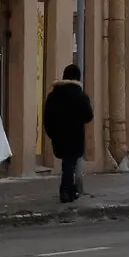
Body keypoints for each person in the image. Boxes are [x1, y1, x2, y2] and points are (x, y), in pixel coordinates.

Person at [42, 64, 93, 204]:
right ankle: (66, 190)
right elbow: (89, 115)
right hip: (75, 135)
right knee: (69, 162)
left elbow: (47, 117)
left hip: (58, 135)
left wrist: (51, 133)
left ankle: (71, 189)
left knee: (67, 162)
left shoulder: (54, 95)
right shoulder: (80, 95)